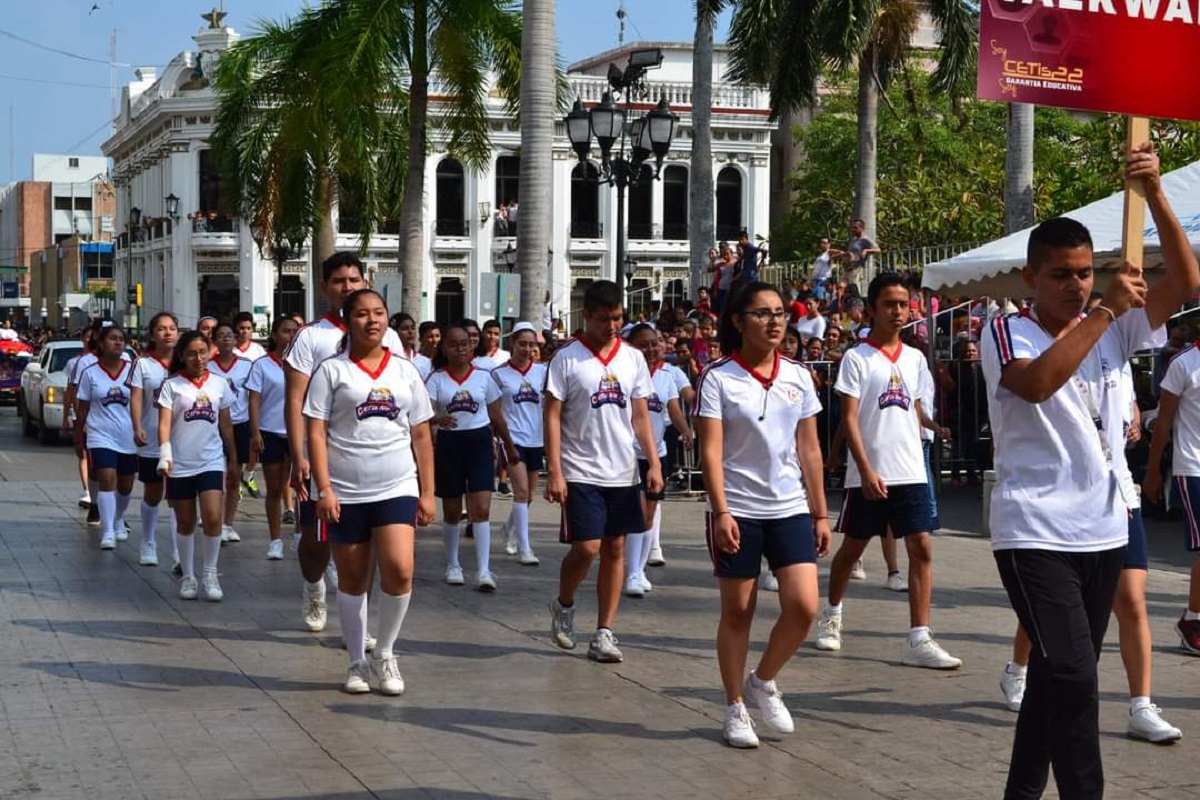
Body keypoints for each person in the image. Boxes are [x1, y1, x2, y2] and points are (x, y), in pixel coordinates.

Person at [983, 143, 1197, 797]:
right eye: (1060, 275)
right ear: (1030, 277)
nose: (1075, 285)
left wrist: (1155, 194)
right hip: (1034, 530)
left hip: (1103, 527)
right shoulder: (1008, 332)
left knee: (1057, 677)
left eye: (1084, 273)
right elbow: (1039, 384)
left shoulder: (1115, 330)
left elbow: (1186, 280)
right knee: (1075, 675)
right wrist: (1104, 309)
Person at [696, 280, 831, 747]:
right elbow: (710, 451)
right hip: (737, 507)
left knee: (804, 605)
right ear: (738, 321)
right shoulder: (718, 377)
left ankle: (763, 679)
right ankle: (734, 705)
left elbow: (809, 449)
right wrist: (721, 511)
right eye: (762, 313)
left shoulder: (798, 376)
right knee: (738, 611)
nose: (774, 322)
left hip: (789, 506)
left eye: (779, 313)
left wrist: (819, 513)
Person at [815, 273, 960, 669]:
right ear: (872, 309)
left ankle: (920, 636)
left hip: (911, 470)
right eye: (889, 304)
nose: (898, 311)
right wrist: (863, 468)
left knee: (921, 546)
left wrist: (932, 428)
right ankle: (831, 614)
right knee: (852, 549)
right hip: (870, 472)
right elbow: (849, 418)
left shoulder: (915, 358)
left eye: (903, 304)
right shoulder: (856, 358)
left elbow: (914, 408)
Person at [304, 289, 435, 695]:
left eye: (379, 313)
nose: (372, 320)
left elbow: (421, 433)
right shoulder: (331, 371)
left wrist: (427, 492)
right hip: (345, 489)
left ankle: (386, 653)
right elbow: (316, 431)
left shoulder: (405, 371)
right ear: (348, 320)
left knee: (400, 568)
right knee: (353, 579)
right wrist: (324, 488)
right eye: (362, 314)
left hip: (397, 484)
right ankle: (356, 661)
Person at [285, 252, 406, 633]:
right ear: (325, 287)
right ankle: (314, 587)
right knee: (316, 540)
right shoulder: (311, 336)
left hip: (376, 463)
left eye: (354, 279)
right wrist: (299, 455)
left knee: (368, 545)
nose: (348, 287)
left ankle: (359, 626)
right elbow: (295, 400)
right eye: (339, 281)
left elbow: (401, 394)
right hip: (324, 459)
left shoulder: (388, 336)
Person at [545, 280, 661, 663]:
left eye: (617, 318)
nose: (611, 326)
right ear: (587, 316)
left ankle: (604, 632)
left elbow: (640, 416)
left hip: (623, 470)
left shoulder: (633, 359)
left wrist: (654, 463)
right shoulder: (566, 359)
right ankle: (564, 603)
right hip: (580, 468)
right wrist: (555, 470)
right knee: (587, 547)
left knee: (615, 547)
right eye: (603, 319)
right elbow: (552, 415)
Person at [425, 324, 519, 590]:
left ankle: (484, 570)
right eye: (454, 345)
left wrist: (509, 445)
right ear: (445, 348)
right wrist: (437, 419)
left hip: (479, 442)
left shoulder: (483, 377)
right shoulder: (436, 379)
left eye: (465, 344)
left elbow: (496, 415)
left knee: (481, 510)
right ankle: (453, 564)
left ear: (472, 347)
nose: (460, 349)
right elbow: (423, 413)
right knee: (453, 510)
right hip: (450, 444)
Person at [157, 330, 237, 602]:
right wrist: (165, 453)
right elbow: (164, 424)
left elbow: (226, 424)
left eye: (202, 352)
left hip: (211, 460)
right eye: (192, 353)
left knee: (213, 516)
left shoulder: (219, 384)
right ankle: (188, 576)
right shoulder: (171, 386)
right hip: (180, 462)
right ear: (182, 356)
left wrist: (233, 458)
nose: (198, 358)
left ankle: (210, 574)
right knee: (186, 521)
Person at [624, 325, 691, 598]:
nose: (651, 349)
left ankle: (639, 569)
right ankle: (631, 572)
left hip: (657, 453)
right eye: (644, 345)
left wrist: (686, 430)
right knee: (637, 514)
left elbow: (673, 409)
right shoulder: (625, 371)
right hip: (629, 452)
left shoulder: (666, 376)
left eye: (655, 343)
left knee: (649, 515)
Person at [75, 322, 137, 551]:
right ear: (101, 344)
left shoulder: (133, 370)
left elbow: (141, 402)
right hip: (100, 435)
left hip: (128, 435)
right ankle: (108, 530)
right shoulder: (90, 372)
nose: (118, 342)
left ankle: (119, 518)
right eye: (113, 338)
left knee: (126, 484)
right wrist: (78, 436)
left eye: (121, 339)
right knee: (107, 477)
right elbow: (82, 408)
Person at [492, 322, 546, 565]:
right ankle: (525, 548)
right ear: (512, 343)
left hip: (536, 438)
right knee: (521, 491)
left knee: (529, 494)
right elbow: (494, 409)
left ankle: (508, 528)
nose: (526, 349)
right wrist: (502, 438)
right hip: (511, 438)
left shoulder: (542, 372)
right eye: (522, 344)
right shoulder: (499, 374)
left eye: (531, 345)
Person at [128, 312, 179, 568]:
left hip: (181, 439)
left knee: (179, 496)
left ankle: (180, 550)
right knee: (154, 492)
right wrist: (137, 426)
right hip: (152, 438)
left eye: (172, 328)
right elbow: (136, 398)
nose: (168, 333)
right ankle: (148, 541)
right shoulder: (143, 364)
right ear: (152, 334)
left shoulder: (186, 362)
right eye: (162, 328)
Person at [247, 316, 299, 561]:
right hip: (270, 431)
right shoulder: (262, 365)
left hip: (297, 432)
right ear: (275, 335)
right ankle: (275, 540)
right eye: (286, 331)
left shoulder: (304, 363)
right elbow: (254, 400)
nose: (291, 335)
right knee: (275, 488)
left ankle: (299, 534)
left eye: (295, 331)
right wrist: (255, 432)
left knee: (301, 487)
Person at [209, 322, 255, 545]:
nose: (226, 338)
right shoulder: (209, 366)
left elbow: (254, 397)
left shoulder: (246, 365)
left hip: (241, 424)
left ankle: (228, 523)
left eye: (230, 335)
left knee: (235, 476)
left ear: (236, 340)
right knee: (219, 475)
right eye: (221, 335)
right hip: (215, 425)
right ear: (214, 341)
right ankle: (216, 523)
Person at [843, 219, 880, 292]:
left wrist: (866, 250)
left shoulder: (865, 239)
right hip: (848, 267)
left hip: (858, 269)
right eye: (852, 228)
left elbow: (878, 249)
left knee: (854, 289)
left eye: (855, 228)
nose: (853, 230)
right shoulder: (854, 239)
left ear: (861, 228)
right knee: (843, 288)